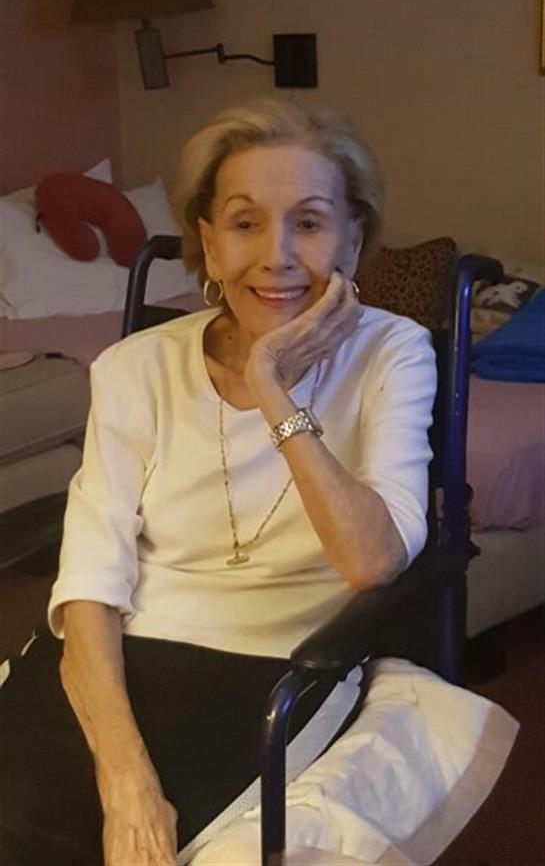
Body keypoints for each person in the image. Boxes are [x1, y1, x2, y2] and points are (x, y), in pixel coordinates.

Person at [0, 98, 436, 866]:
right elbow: (92, 581)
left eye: (307, 222)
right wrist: (125, 776)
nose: (276, 254)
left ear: (352, 237)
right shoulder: (134, 367)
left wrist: (272, 384)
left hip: (275, 670)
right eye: (244, 223)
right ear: (207, 241)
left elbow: (372, 560)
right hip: (121, 657)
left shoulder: (393, 352)